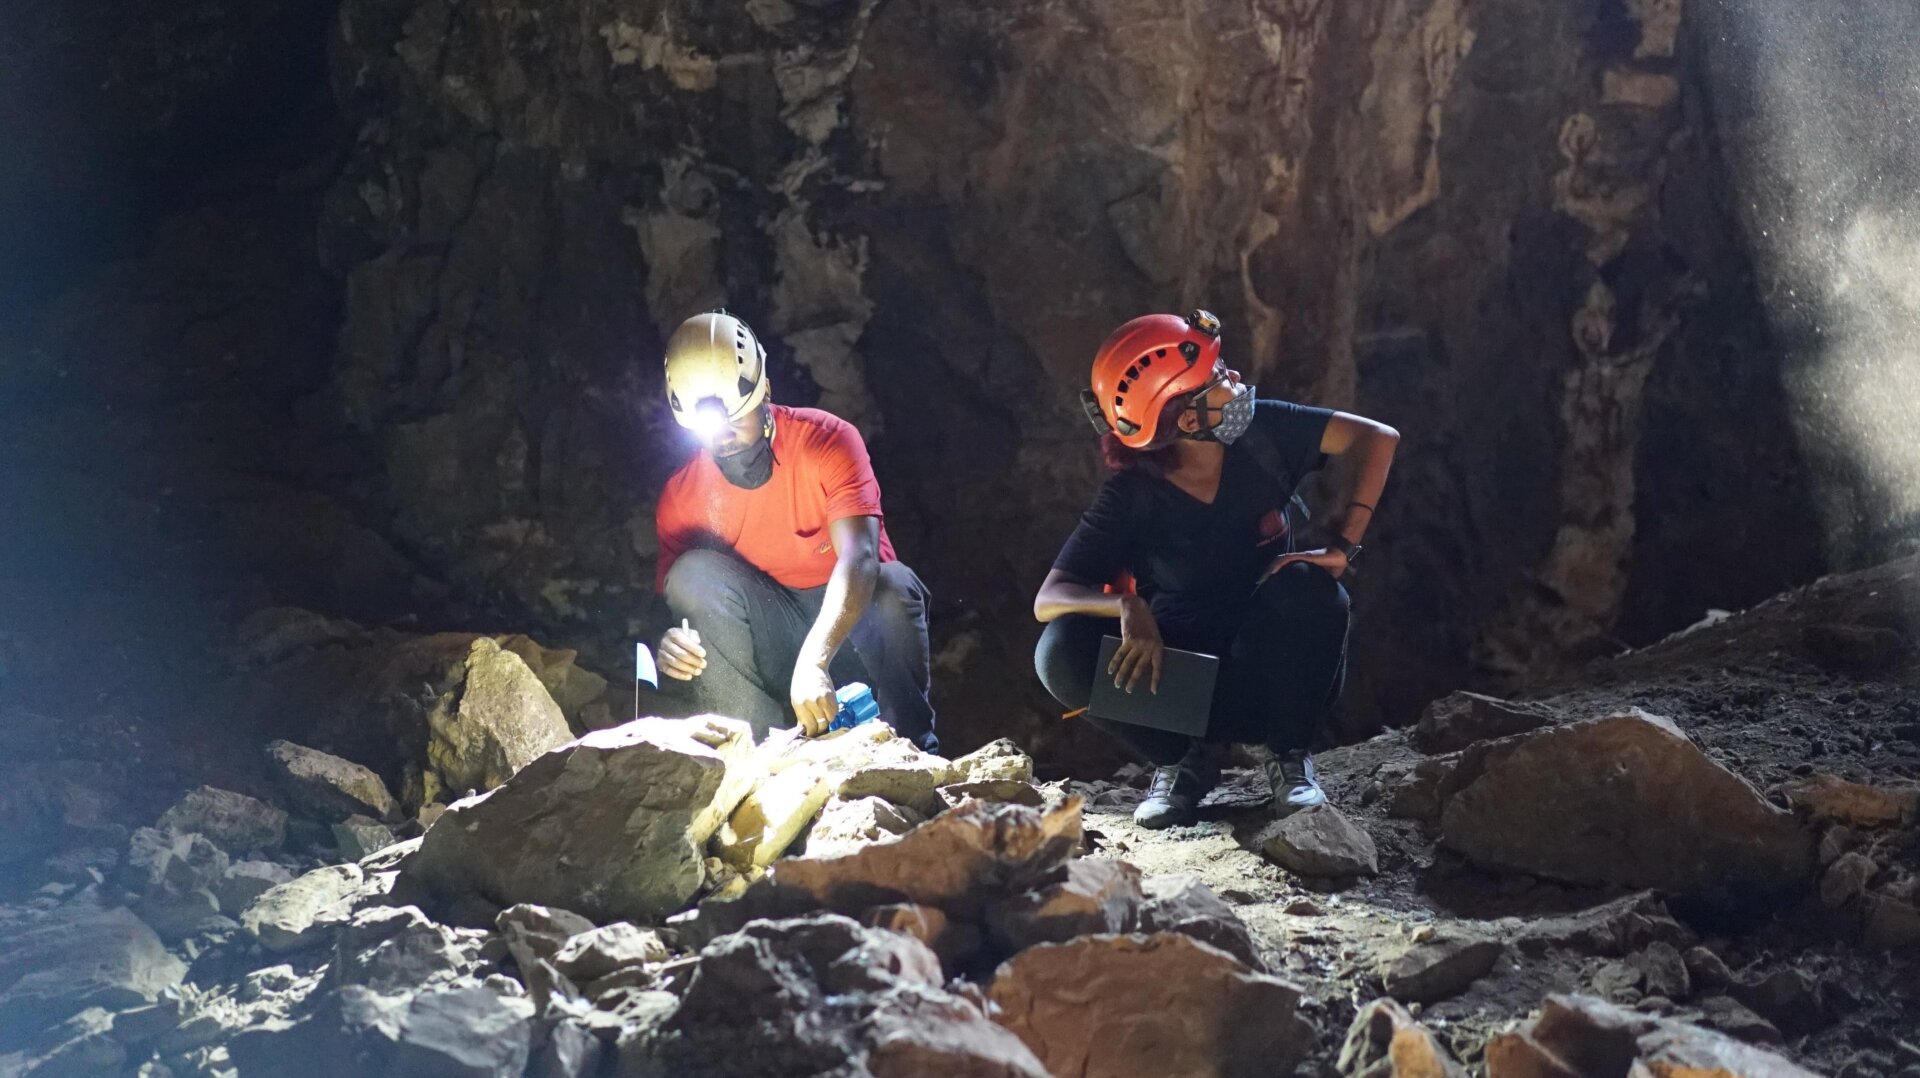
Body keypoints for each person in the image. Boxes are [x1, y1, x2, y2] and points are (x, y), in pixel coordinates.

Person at [1032, 310, 1398, 828]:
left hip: (1274, 676)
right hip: (1184, 682)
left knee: (1311, 587)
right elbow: (1050, 598)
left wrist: (1343, 546)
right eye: (1218, 376)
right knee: (1060, 650)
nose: (1236, 378)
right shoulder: (1133, 497)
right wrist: (1128, 606)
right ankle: (1183, 762)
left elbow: (1377, 438)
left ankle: (1288, 757)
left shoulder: (1266, 434)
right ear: (1187, 419)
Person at [651, 311, 937, 752]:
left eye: (736, 418)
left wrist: (816, 659)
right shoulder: (682, 497)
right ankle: (751, 754)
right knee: (692, 574)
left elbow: (860, 558)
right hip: (775, 643)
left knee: (893, 585)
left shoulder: (826, 440)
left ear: (764, 389)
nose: (725, 436)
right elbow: (681, 604)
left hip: (855, 638)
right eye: (711, 429)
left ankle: (912, 750)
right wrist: (669, 643)